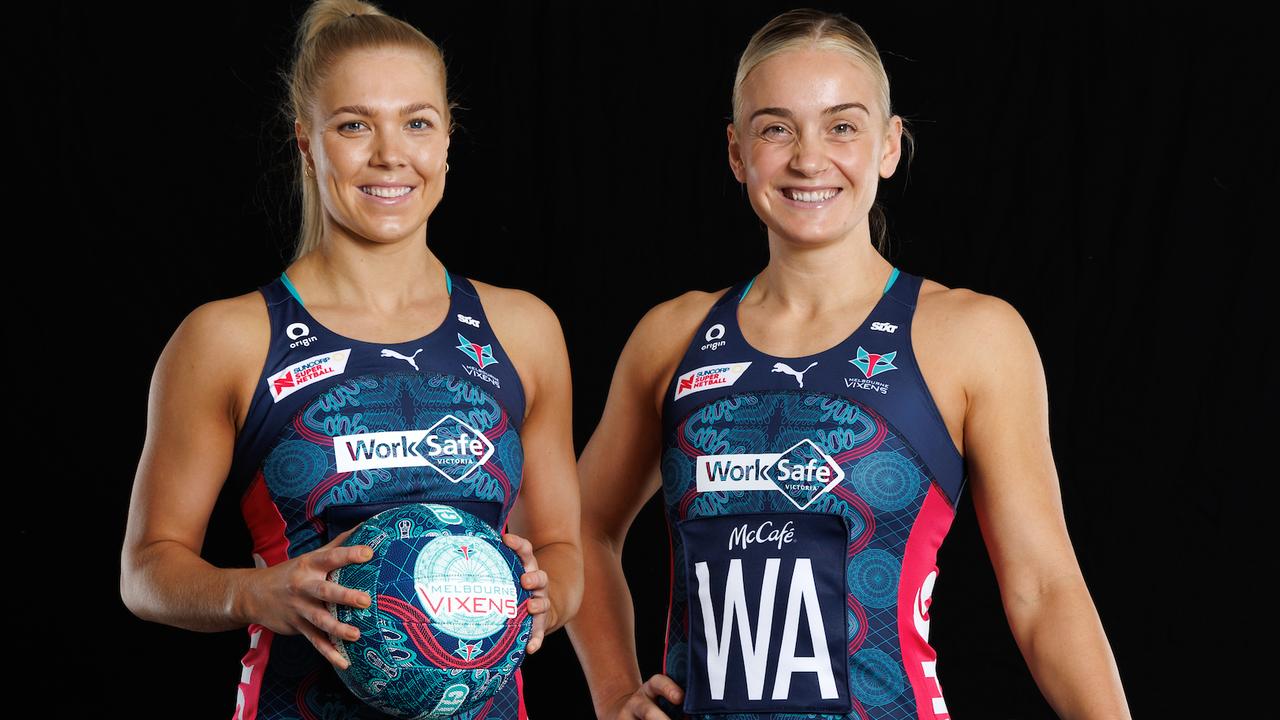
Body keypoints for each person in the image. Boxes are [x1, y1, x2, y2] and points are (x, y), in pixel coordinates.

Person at [566, 8, 1129, 719]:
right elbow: (578, 527)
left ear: (889, 146)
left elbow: (1044, 589)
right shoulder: (673, 337)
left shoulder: (970, 335)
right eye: (776, 128)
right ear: (737, 153)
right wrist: (615, 693)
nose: (808, 158)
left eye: (842, 125)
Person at [119, 1, 582, 717]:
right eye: (355, 125)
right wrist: (254, 592)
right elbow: (146, 571)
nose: (390, 154)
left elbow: (562, 548)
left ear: (448, 139)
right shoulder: (229, 339)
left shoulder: (522, 330)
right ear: (307, 142)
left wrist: (545, 597)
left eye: (417, 122)